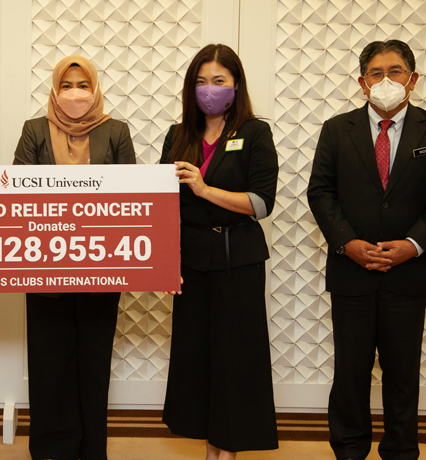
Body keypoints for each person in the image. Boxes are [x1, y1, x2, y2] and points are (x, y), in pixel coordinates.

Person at [307, 39, 426, 460]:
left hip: (407, 275)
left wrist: (412, 246)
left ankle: (399, 451)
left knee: (402, 375)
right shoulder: (337, 129)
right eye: (377, 73)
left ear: (412, 80)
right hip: (351, 272)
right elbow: (320, 193)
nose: (386, 80)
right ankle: (350, 449)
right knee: (351, 373)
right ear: (362, 82)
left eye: (396, 71)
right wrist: (348, 244)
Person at [13, 55, 136, 460]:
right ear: (54, 89)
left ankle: (90, 452)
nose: (75, 93)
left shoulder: (116, 131)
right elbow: (17, 198)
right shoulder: (34, 130)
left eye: (83, 85)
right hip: (44, 273)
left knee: (93, 364)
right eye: (66, 85)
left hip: (103, 271)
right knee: (50, 367)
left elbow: (131, 199)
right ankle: (50, 451)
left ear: (96, 88)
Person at [160, 44, 279, 460]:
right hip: (191, 262)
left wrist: (205, 188)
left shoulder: (255, 132)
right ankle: (206, 441)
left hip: (238, 260)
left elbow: (263, 203)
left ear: (235, 85)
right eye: (201, 82)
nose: (209, 89)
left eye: (218, 81)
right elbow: (162, 208)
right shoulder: (178, 136)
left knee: (236, 359)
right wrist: (164, 264)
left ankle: (225, 450)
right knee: (196, 357)